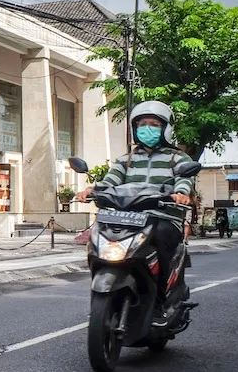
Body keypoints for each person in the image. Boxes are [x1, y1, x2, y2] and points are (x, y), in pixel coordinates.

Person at [75, 100, 195, 322]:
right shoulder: (126, 159)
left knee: (161, 237)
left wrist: (180, 193)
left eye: (154, 124)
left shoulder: (177, 158)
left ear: (166, 128)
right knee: (98, 237)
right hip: (127, 216)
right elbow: (109, 181)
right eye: (142, 123)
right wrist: (91, 190)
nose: (147, 128)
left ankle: (160, 303)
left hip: (162, 216)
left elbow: (185, 180)